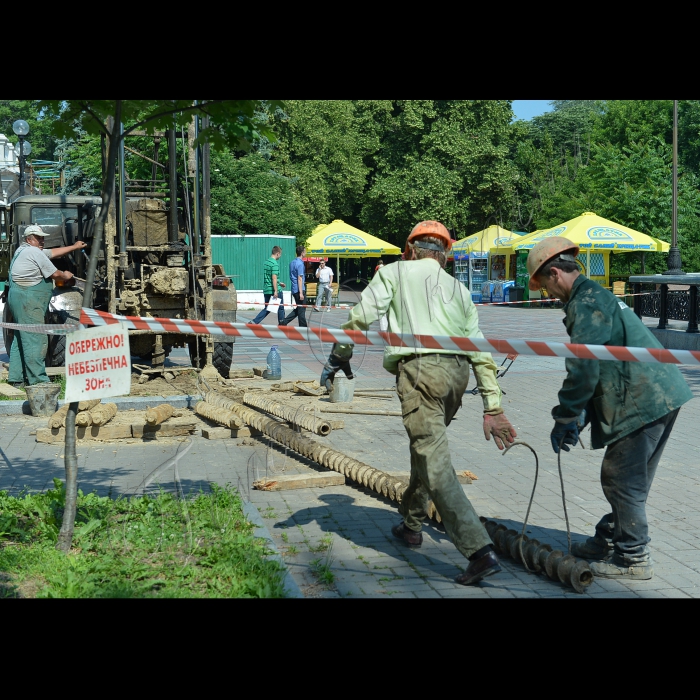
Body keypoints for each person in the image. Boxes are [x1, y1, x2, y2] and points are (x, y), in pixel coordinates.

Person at [320, 220, 517, 586]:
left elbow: (360, 316)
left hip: (420, 372)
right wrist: (493, 406)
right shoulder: (459, 289)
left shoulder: (394, 273)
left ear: (410, 249)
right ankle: (411, 525)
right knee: (426, 450)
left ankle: (479, 551)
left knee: (434, 458)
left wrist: (340, 355)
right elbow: (479, 349)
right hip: (457, 375)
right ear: (445, 255)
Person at [527, 236, 693, 580]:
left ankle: (633, 558)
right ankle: (607, 538)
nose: (547, 293)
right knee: (632, 479)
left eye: (544, 284)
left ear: (555, 273)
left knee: (621, 478)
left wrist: (566, 416)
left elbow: (584, 366)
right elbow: (602, 362)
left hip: (644, 398)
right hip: (661, 392)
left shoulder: (584, 302)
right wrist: (583, 415)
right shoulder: (594, 296)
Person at [6, 224, 85, 388]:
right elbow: (56, 275)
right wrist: (67, 275)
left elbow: (52, 253)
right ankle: (38, 381)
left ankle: (16, 378)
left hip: (17, 296)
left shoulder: (23, 250)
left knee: (21, 337)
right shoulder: (34, 252)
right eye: (38, 238)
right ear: (29, 239)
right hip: (29, 299)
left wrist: (75, 247)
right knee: (36, 338)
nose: (42, 241)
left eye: (43, 237)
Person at [248, 246, 286, 326]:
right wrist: (276, 290)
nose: (280, 256)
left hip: (266, 289)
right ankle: (282, 324)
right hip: (274, 290)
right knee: (281, 308)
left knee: (267, 308)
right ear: (278, 253)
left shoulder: (266, 262)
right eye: (280, 254)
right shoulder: (274, 264)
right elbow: (274, 277)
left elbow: (270, 277)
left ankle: (254, 322)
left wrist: (279, 282)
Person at [280, 246, 308, 327]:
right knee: (302, 309)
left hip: (294, 288)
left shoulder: (292, 262)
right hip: (299, 289)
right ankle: (303, 327)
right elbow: (300, 278)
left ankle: (284, 322)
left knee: (300, 308)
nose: (305, 253)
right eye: (305, 251)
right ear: (302, 253)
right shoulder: (300, 264)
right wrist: (301, 293)